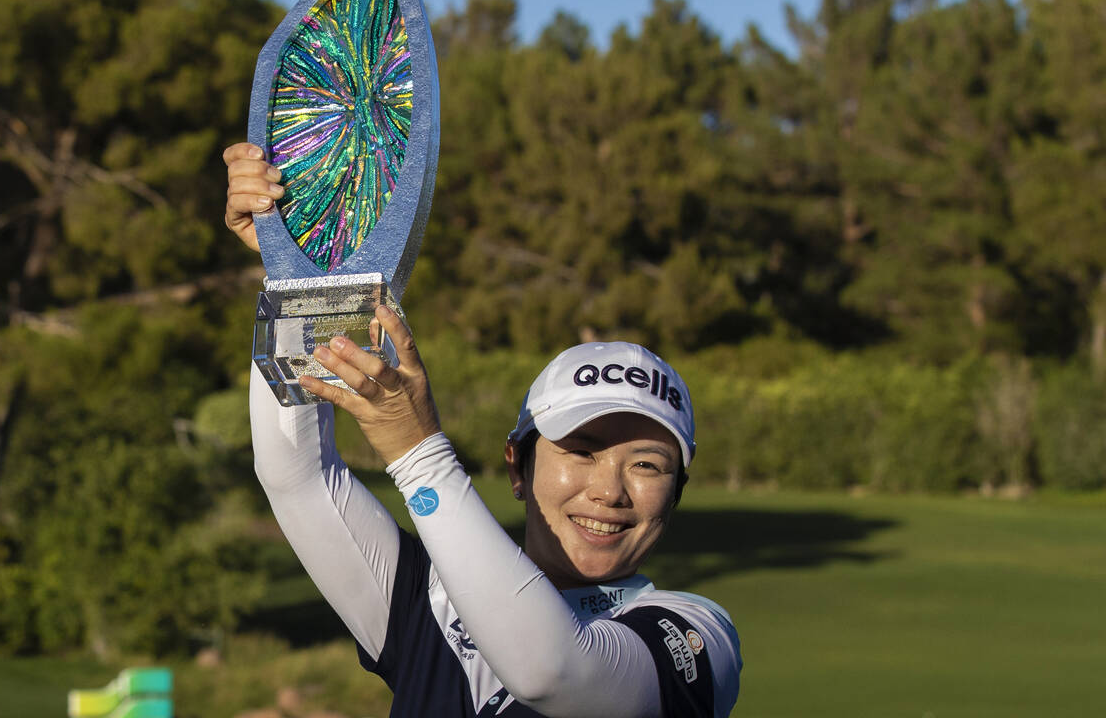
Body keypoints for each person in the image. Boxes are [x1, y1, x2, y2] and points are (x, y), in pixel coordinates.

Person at [224, 143, 742, 717]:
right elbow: (297, 476)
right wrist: (296, 273)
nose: (609, 490)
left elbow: (552, 672)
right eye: (581, 449)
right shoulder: (425, 600)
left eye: (647, 464)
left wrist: (420, 455)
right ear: (517, 467)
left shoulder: (697, 636)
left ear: (675, 495)